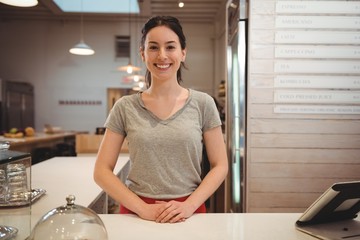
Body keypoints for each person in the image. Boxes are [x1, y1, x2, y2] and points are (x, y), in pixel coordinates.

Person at [93, 16, 228, 224]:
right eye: (153, 47)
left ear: (183, 53)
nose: (162, 56)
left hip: (188, 213)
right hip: (136, 213)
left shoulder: (203, 103)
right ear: (143, 54)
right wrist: (143, 209)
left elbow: (220, 165)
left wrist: (189, 205)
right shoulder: (125, 106)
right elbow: (101, 171)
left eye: (170, 47)